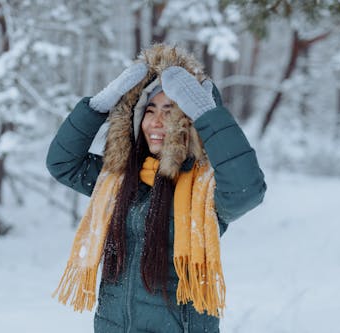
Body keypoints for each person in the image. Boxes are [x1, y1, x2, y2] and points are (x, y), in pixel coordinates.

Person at [47, 44, 266, 333]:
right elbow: (62, 163)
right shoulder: (119, 181)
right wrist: (98, 106)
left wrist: (205, 113)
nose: (157, 122)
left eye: (170, 111)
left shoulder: (205, 190)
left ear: (189, 122)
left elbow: (246, 190)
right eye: (149, 110)